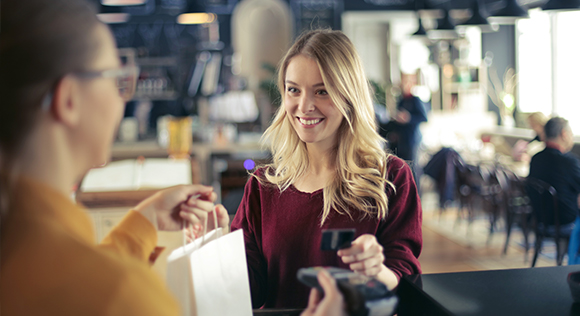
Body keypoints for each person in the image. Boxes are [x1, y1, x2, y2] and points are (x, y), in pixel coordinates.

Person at [0, 0, 233, 314]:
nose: (122, 97)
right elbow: (98, 287)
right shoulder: (121, 294)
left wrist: (145, 221)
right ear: (69, 99)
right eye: (114, 78)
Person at [229, 29, 423, 309]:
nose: (304, 106)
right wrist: (212, 255)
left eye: (322, 91)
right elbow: (251, 292)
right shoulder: (263, 186)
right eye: (293, 89)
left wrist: (376, 270)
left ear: (348, 96)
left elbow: (405, 280)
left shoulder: (391, 178)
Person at [528, 117, 580, 265]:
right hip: (565, 222)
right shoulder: (568, 162)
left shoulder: (536, 158)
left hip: (541, 221)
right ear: (564, 134)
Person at [387, 73, 428, 173]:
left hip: (412, 140)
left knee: (413, 169)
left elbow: (424, 118)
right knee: (402, 168)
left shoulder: (415, 100)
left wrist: (408, 118)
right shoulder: (401, 101)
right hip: (401, 141)